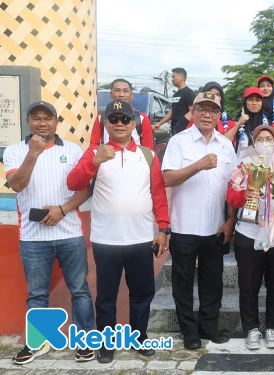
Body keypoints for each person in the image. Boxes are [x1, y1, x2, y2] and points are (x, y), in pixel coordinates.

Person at [67, 100, 170, 363]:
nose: (119, 124)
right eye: (113, 119)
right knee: (106, 296)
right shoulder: (95, 153)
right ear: (106, 124)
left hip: (140, 239)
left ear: (133, 124)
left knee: (142, 293)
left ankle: (139, 337)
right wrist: (94, 161)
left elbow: (158, 194)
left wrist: (163, 229)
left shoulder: (147, 155)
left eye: (125, 119)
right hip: (106, 240)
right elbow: (73, 182)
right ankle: (106, 342)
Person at [5, 101, 95, 364]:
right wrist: (33, 153)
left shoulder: (73, 150)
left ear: (57, 122)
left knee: (79, 289)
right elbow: (17, 185)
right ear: (27, 121)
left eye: (48, 118)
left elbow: (86, 188)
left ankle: (84, 340)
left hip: (69, 233)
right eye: (36, 118)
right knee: (37, 293)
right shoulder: (14, 151)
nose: (42, 123)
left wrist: (62, 210)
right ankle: (37, 343)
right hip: (33, 238)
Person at [161, 92, 237, 349]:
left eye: (213, 110)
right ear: (192, 112)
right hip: (184, 226)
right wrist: (198, 165)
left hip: (216, 227)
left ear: (219, 115)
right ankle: (189, 331)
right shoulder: (178, 141)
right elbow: (167, 178)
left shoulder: (226, 145)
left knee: (212, 281)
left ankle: (208, 327)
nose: (207, 114)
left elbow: (233, 186)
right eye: (202, 109)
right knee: (182, 282)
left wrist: (230, 220)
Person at [226, 125, 274, 350]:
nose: (264, 143)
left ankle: (272, 327)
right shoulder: (243, 168)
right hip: (248, 232)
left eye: (269, 139)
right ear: (253, 144)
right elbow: (231, 196)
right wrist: (245, 194)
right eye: (260, 139)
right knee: (249, 284)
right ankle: (252, 328)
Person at [90, 78, 154, 150]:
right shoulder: (101, 118)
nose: (121, 94)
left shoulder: (142, 119)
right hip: (107, 159)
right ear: (111, 94)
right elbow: (94, 147)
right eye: (117, 90)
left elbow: (148, 150)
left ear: (132, 95)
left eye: (125, 91)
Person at [154, 67, 195, 135]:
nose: (172, 79)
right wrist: (159, 123)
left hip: (184, 129)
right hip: (173, 128)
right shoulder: (175, 94)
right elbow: (172, 111)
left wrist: (183, 124)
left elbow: (193, 112)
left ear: (182, 78)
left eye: (173, 77)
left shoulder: (188, 92)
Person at [232, 87, 265, 152]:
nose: (254, 103)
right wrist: (238, 124)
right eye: (250, 100)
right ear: (245, 102)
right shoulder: (236, 123)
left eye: (258, 100)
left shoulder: (267, 123)